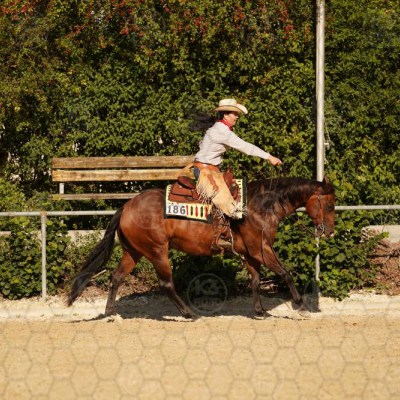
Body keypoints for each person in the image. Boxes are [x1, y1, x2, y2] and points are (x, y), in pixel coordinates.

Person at [193, 98, 283, 251]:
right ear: (225, 115)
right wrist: (269, 157)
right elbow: (245, 147)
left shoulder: (219, 129)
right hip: (205, 171)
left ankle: (223, 229)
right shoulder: (221, 132)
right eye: (234, 114)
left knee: (234, 192)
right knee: (226, 201)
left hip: (210, 169)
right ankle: (219, 234)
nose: (236, 117)